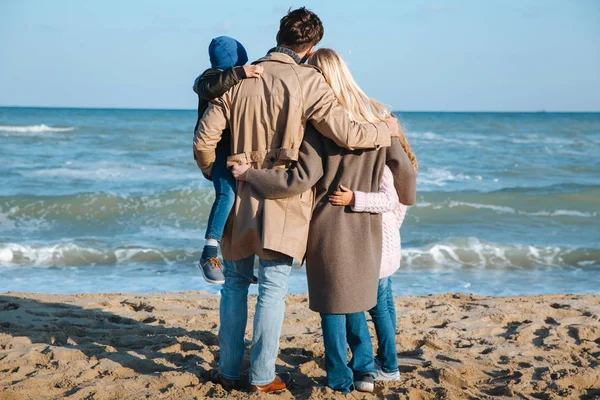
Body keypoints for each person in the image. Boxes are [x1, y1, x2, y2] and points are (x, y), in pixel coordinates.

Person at [194, 8, 401, 393]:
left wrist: (216, 175)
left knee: (235, 286)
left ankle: (228, 371)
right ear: (312, 47)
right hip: (285, 201)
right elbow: (346, 132)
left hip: (238, 195)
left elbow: (205, 140)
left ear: (278, 34)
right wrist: (383, 131)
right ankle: (260, 377)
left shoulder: (243, 75)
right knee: (272, 290)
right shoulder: (309, 81)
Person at [231, 48, 417, 393]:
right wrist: (404, 198)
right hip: (366, 225)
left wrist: (250, 176)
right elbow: (403, 167)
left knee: (332, 305)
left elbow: (300, 178)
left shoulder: (317, 127)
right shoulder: (378, 117)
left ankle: (339, 378)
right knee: (359, 299)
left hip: (328, 222)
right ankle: (365, 372)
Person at [329, 141, 418, 382]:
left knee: (377, 308)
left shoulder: (381, 163)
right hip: (386, 242)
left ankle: (388, 365)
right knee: (385, 307)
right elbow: (400, 209)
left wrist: (353, 199)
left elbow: (388, 201)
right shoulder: (396, 162)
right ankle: (388, 361)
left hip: (378, 245)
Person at [192, 36, 263, 284]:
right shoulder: (207, 79)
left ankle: (239, 264)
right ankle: (209, 252)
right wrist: (239, 72)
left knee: (243, 203)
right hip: (220, 149)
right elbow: (210, 88)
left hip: (239, 148)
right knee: (227, 196)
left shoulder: (238, 80)